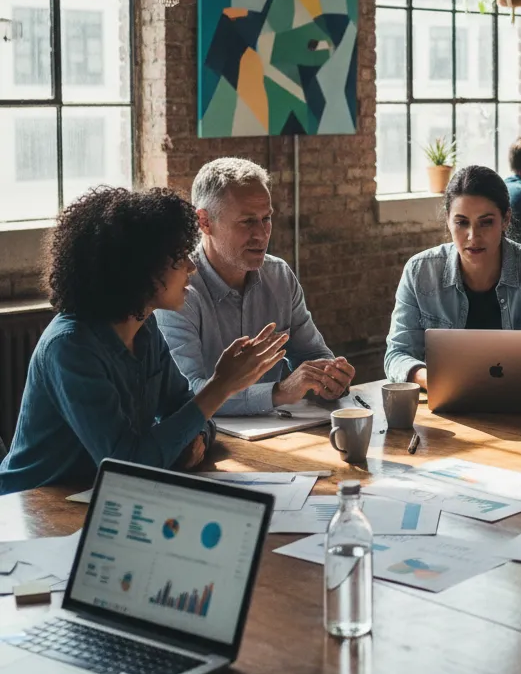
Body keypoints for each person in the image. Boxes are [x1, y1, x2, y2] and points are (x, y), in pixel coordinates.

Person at [0, 188, 288, 495]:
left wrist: (195, 439)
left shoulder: (145, 329)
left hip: (99, 497)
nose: (191, 268)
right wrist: (221, 385)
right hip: (31, 506)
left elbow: (189, 412)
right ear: (137, 269)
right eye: (179, 260)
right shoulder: (71, 347)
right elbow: (127, 465)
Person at [156, 158, 354, 415]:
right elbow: (185, 393)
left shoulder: (279, 275)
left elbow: (311, 353)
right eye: (247, 222)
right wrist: (279, 392)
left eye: (267, 218)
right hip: (202, 441)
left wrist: (330, 377)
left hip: (277, 432)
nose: (261, 234)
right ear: (204, 222)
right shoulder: (177, 290)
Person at [385, 164, 521, 388]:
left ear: (506, 220)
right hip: (447, 407)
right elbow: (397, 355)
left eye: (486, 222)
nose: (473, 236)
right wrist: (432, 379)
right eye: (462, 223)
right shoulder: (419, 272)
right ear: (448, 221)